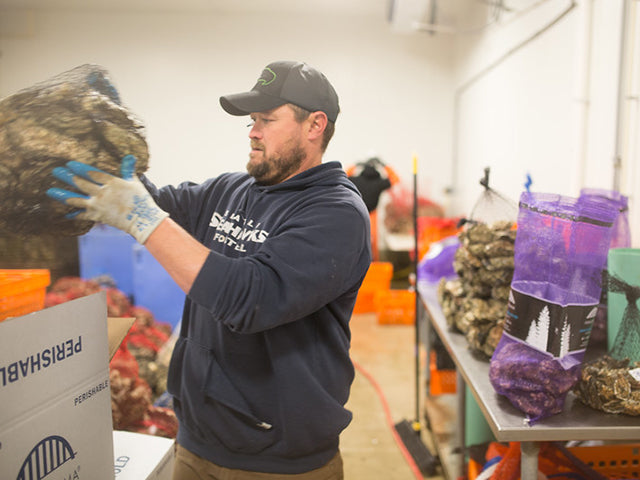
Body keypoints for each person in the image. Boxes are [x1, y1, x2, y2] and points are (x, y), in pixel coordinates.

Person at [47, 60, 372, 479]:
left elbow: (249, 299)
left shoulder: (336, 214)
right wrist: (108, 142)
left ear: (315, 125)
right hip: (196, 442)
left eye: (267, 120)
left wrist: (142, 219)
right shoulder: (230, 190)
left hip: (276, 460)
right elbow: (155, 202)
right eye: (252, 121)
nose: (253, 131)